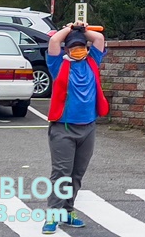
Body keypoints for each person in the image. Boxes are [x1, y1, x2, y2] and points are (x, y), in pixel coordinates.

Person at [42, 21, 108, 233]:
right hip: (64, 128)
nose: (79, 50)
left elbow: (98, 39)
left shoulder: (92, 62)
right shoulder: (58, 65)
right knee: (61, 173)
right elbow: (54, 40)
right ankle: (53, 214)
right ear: (67, 49)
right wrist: (70, 29)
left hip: (88, 127)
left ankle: (68, 211)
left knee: (77, 174)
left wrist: (83, 30)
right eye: (74, 47)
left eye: (82, 46)